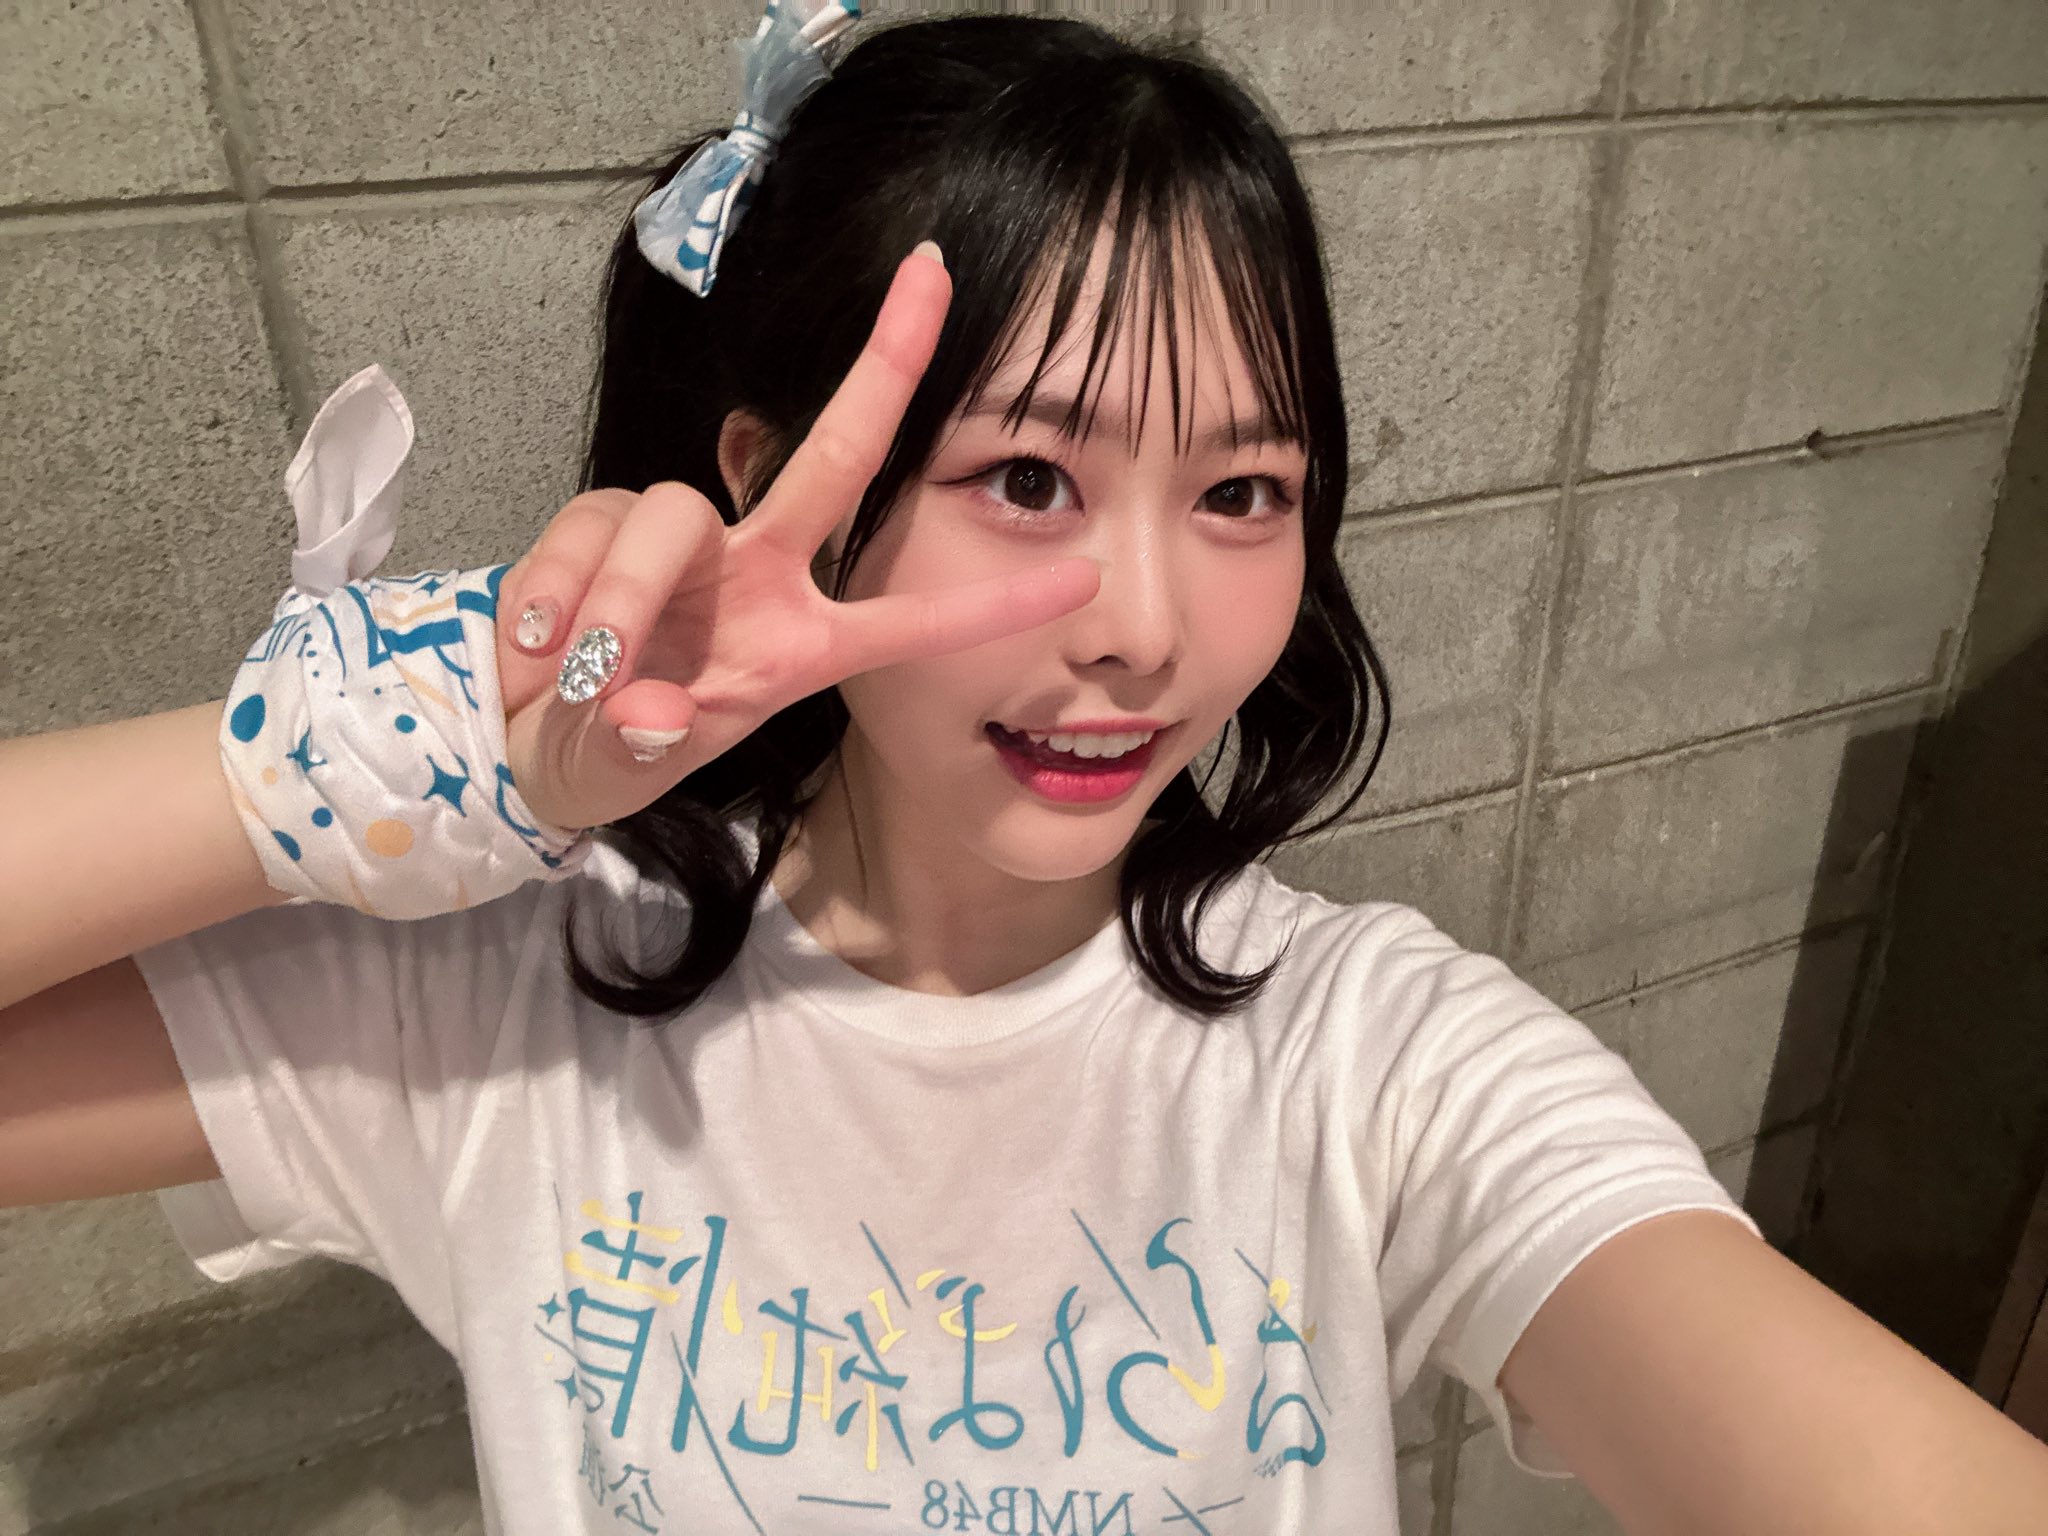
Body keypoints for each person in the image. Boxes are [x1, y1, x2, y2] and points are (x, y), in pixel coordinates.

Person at [6, 6, 2047, 1534]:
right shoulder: (497, 999)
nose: (1146, 627)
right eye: (1030, 479)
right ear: (778, 488)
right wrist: (410, 748)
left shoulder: (1380, 1069)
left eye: (1242, 492)